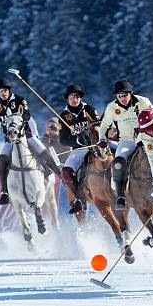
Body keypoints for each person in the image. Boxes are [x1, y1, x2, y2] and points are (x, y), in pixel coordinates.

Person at [0, 78, 61, 205]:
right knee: (1, 163)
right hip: (10, 139)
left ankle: (61, 176)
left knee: (42, 151)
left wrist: (34, 135)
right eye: (0, 91)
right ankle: (5, 191)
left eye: (4, 90)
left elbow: (28, 117)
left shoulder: (19, 99)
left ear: (9, 90)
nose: (3, 93)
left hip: (27, 135)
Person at [98, 80, 153, 209]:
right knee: (118, 161)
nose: (122, 98)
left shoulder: (143, 102)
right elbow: (104, 126)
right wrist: (102, 140)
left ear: (130, 93)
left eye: (124, 95)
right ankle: (120, 195)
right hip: (126, 141)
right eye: (119, 96)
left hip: (146, 138)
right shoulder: (112, 107)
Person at [58, 84, 99, 214]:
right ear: (67, 99)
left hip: (95, 145)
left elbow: (98, 125)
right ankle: (79, 199)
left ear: (80, 98)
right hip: (79, 149)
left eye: (77, 97)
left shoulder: (89, 109)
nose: (74, 99)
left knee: (118, 157)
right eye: (71, 97)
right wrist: (76, 140)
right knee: (66, 172)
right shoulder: (64, 116)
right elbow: (62, 139)